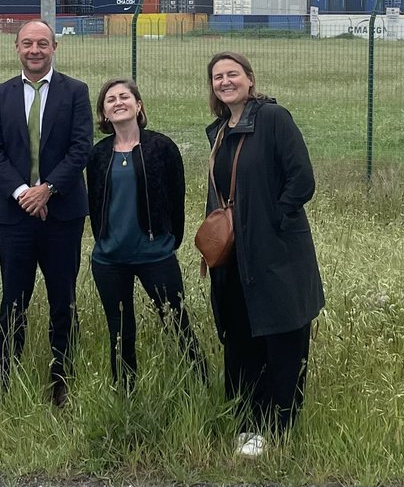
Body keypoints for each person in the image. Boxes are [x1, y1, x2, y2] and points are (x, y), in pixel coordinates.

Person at [203, 51, 324, 459]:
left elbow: (302, 181)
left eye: (232, 74)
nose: (225, 81)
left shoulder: (273, 120)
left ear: (250, 80)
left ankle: (280, 428)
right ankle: (247, 424)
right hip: (234, 257)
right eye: (218, 77)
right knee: (240, 340)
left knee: (283, 340)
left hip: (277, 255)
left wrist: (271, 222)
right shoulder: (220, 130)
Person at [0, 19, 92, 406]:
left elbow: (81, 149)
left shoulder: (75, 92)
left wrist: (47, 190)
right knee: (13, 298)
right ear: (16, 48)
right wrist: (23, 192)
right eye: (27, 43)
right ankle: (3, 378)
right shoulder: (1, 95)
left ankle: (62, 379)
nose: (35, 50)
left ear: (54, 48)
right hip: (15, 214)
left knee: (64, 298)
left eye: (42, 44)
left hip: (62, 213)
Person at [87, 77, 205, 388]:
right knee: (120, 330)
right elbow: (94, 200)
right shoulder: (98, 155)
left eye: (124, 96)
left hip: (155, 255)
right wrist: (102, 240)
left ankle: (200, 383)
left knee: (177, 323)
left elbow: (176, 199)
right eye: (110, 100)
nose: (118, 102)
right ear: (104, 113)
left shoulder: (161, 147)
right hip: (109, 259)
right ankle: (126, 393)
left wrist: (168, 241)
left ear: (138, 105)